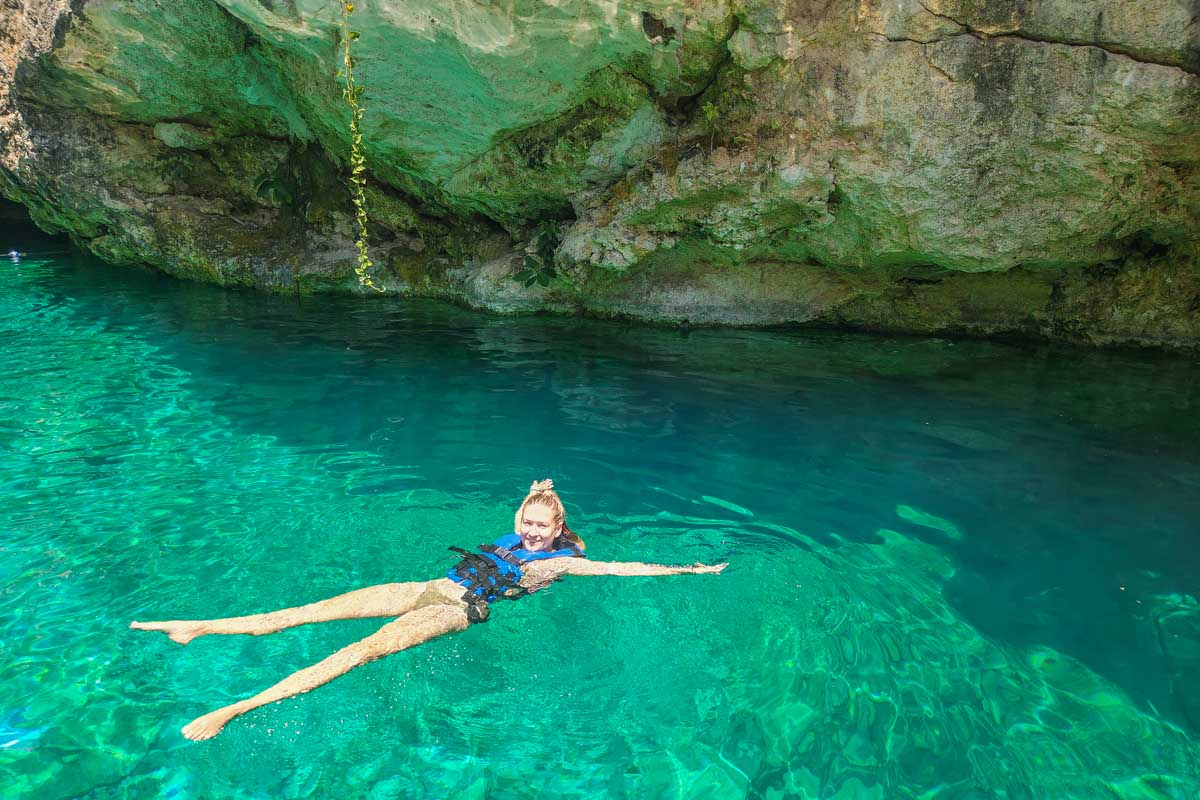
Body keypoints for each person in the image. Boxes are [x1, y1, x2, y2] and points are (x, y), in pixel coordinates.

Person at [130, 479, 727, 741]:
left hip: (458, 608)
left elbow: (624, 568)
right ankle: (197, 625)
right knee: (300, 611)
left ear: (560, 529)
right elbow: (532, 505)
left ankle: (235, 707)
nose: (532, 530)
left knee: (357, 652)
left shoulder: (565, 562)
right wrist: (538, 486)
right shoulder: (517, 527)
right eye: (528, 521)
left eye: (543, 525)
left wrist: (690, 571)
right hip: (426, 585)